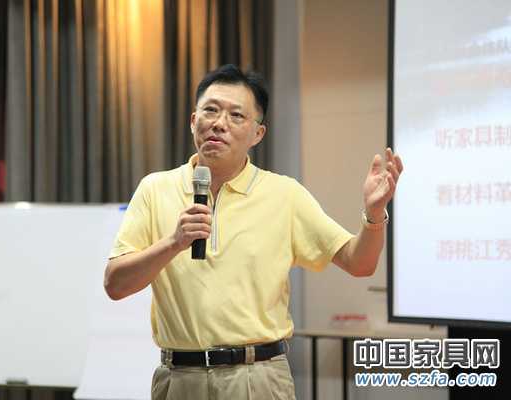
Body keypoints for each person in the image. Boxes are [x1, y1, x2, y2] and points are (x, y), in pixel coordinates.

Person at [104, 64, 403, 400]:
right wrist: (173, 243)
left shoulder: (284, 194)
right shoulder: (155, 189)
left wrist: (374, 214)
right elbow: (115, 284)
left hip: (256, 377)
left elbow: (359, 263)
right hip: (179, 378)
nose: (219, 123)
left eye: (236, 116)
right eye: (211, 110)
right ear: (193, 121)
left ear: (257, 134)